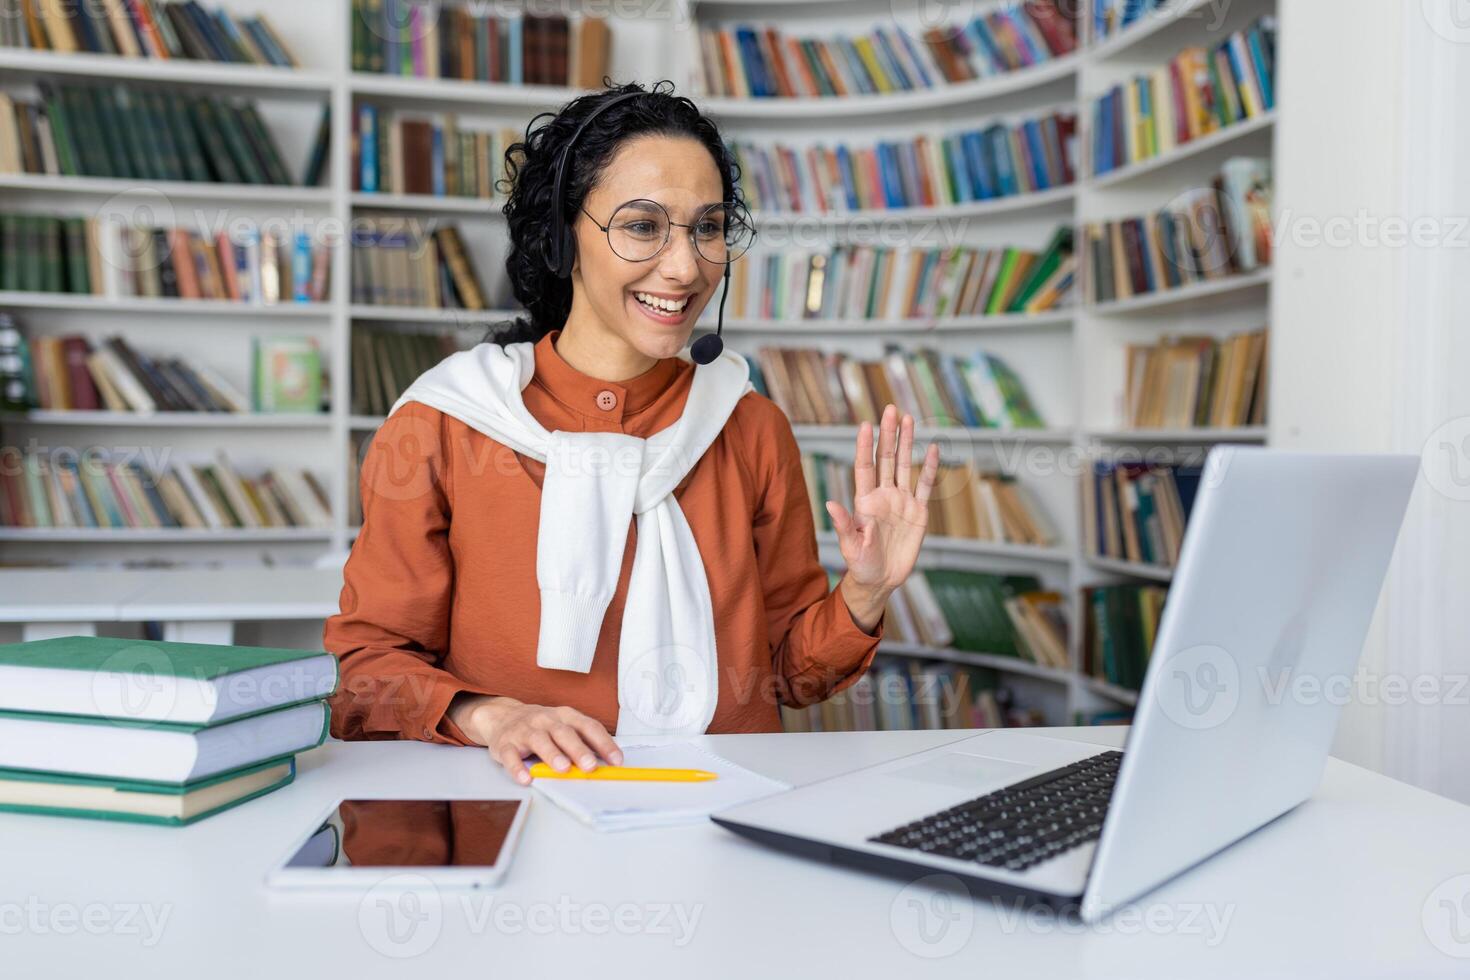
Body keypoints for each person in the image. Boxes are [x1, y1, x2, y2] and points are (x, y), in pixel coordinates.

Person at [324, 80, 940, 785]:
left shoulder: (749, 424)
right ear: (563, 233)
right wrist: (490, 716)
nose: (685, 268)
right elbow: (364, 670)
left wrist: (866, 592)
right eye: (643, 226)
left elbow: (786, 677)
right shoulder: (441, 423)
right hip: (515, 801)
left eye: (708, 227)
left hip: (723, 809)